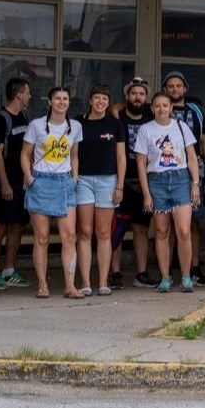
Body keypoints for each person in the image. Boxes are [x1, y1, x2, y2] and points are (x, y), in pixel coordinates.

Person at [135, 92, 201, 294]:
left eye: (165, 105)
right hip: (157, 181)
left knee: (183, 231)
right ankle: (165, 277)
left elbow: (191, 156)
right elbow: (140, 163)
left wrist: (195, 183)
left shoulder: (181, 127)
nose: (162, 109)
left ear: (171, 108)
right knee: (162, 232)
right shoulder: (146, 130)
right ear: (152, 108)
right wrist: (146, 193)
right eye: (157, 106)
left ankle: (186, 277)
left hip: (180, 179)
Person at [22, 87, 82, 299]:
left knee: (69, 236)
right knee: (42, 237)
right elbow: (25, 153)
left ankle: (70, 286)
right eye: (57, 98)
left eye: (65, 98)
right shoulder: (36, 125)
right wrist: (29, 178)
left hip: (65, 182)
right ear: (49, 101)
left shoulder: (74, 126)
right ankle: (42, 284)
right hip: (41, 181)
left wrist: (74, 177)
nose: (62, 102)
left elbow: (74, 154)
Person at [75, 84, 126, 297]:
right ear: (90, 100)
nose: (100, 102)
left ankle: (103, 282)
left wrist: (120, 185)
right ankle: (86, 282)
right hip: (83, 180)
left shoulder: (115, 124)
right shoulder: (78, 123)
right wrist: (74, 177)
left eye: (104, 99)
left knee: (104, 232)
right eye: (97, 98)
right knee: (85, 232)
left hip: (108, 181)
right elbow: (73, 153)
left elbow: (121, 157)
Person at [163, 71, 205, 287]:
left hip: (193, 171)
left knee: (192, 223)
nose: (175, 89)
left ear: (185, 89)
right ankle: (170, 271)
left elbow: (204, 141)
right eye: (170, 86)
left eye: (178, 86)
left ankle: (194, 268)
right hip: (166, 172)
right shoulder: (160, 109)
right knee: (168, 226)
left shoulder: (196, 111)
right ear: (166, 90)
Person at [0, 77, 32, 291]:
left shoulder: (23, 116)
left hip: (22, 182)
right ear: (18, 95)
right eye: (27, 93)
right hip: (5, 183)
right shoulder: (0, 119)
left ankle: (9, 270)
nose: (30, 96)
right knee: (0, 227)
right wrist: (4, 183)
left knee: (17, 226)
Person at [113, 79, 155, 288]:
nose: (137, 97)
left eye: (141, 94)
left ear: (146, 98)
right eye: (133, 93)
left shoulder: (151, 118)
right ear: (127, 97)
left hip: (144, 183)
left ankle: (141, 273)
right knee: (117, 229)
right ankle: (115, 273)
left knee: (141, 229)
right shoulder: (117, 117)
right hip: (120, 181)